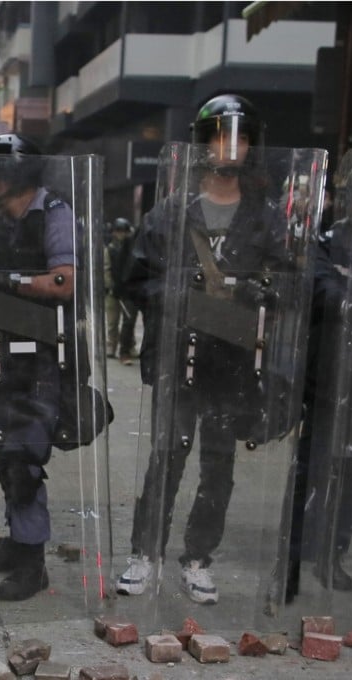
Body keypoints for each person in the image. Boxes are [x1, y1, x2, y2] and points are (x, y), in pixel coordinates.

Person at [116, 94, 293, 604]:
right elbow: (133, 278)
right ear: (203, 144)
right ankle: (144, 553)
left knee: (219, 464)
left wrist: (263, 293)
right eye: (220, 136)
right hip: (180, 352)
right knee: (166, 456)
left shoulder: (263, 218)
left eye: (239, 137)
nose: (230, 147)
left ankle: (197, 557)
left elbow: (287, 280)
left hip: (232, 359)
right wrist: (177, 296)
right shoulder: (172, 212)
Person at [0, 132, 76, 601]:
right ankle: (17, 540)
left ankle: (33, 562)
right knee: (3, 452)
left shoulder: (54, 214)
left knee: (25, 458)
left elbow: (64, 281)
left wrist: (3, 282)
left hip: (42, 354)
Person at [285, 152, 352, 600]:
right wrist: (351, 302)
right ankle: (298, 544)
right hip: (330, 370)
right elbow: (315, 284)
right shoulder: (329, 239)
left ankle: (333, 551)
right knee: (316, 459)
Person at [104, 217, 139, 364]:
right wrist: (111, 286)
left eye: (123, 231)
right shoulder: (109, 250)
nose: (121, 234)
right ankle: (112, 344)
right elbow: (106, 270)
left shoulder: (131, 248)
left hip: (126, 289)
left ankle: (129, 346)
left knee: (128, 319)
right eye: (118, 231)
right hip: (113, 291)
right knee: (113, 321)